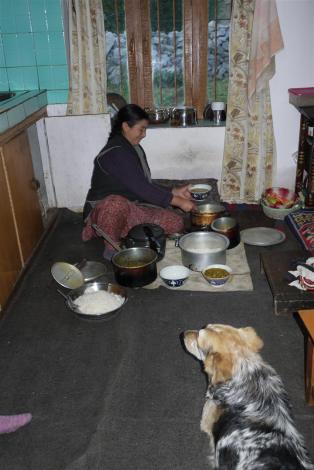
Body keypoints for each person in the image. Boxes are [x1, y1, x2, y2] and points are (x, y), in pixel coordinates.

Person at [82, 104, 196, 258]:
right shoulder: (115, 153)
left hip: (132, 208)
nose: (144, 134)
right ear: (125, 126)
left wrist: (174, 191)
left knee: (175, 222)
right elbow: (142, 188)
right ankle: (111, 247)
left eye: (145, 129)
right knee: (114, 204)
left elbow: (143, 183)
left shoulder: (133, 148)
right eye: (141, 129)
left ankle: (126, 232)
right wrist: (180, 202)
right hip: (106, 210)